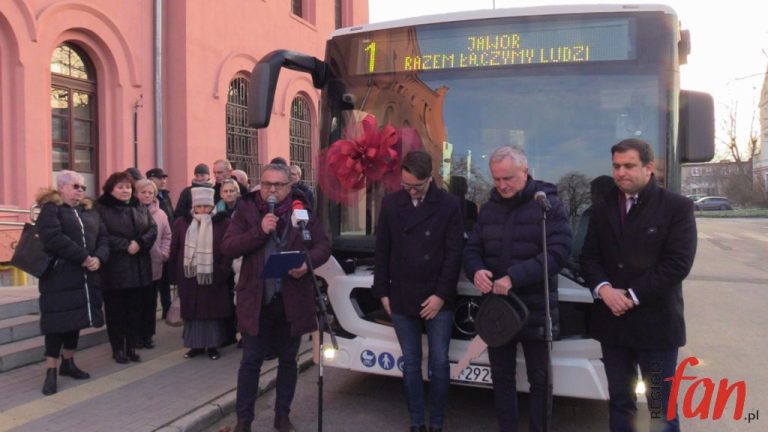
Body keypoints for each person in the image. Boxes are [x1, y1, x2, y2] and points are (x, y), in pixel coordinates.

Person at [580, 139, 697, 432]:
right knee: (620, 403)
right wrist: (604, 290)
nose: (621, 173)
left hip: (656, 328)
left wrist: (632, 296)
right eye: (616, 166)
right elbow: (589, 257)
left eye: (628, 166)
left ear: (649, 167)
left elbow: (677, 264)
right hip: (613, 326)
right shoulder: (603, 207)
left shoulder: (676, 208)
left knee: (660, 410)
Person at [463, 145, 572, 432]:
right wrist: (476, 270)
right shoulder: (488, 210)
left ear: (525, 171)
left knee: (540, 380)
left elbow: (559, 253)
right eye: (496, 179)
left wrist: (513, 276)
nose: (502, 185)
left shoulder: (547, 205)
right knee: (501, 378)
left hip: (535, 308)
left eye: (508, 178)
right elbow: (471, 248)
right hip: (497, 311)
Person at [221, 163, 331, 432]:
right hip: (257, 300)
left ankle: (282, 415)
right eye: (266, 183)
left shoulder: (301, 209)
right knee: (250, 362)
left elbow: (323, 246)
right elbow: (228, 246)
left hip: (292, 301)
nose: (271, 189)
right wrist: (260, 230)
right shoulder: (246, 209)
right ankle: (243, 421)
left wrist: (306, 263)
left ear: (289, 186)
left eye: (278, 185)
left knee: (288, 361)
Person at [372, 150, 464, 432]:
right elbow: (382, 249)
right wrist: (382, 291)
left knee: (438, 361)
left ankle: (436, 422)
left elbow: (454, 254)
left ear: (430, 179)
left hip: (438, 296)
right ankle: (416, 422)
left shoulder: (449, 205)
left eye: (417, 187)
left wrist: (440, 296)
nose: (411, 191)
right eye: (406, 185)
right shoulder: (390, 204)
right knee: (410, 363)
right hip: (401, 293)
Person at [35, 170, 109, 395]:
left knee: (75, 320)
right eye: (76, 186)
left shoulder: (89, 210)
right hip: (59, 277)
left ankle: (68, 363)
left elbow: (103, 237)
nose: (81, 191)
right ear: (62, 187)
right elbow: (54, 239)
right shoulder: (51, 210)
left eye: (83, 187)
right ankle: (51, 370)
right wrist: (84, 257)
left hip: (85, 277)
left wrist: (98, 258)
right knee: (56, 323)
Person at [97, 170, 157, 364]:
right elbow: (100, 234)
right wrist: (125, 245)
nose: (125, 191)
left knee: (134, 311)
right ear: (111, 189)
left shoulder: (138, 205)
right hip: (115, 269)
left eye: (128, 187)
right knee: (116, 313)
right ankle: (118, 349)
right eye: (121, 187)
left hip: (138, 266)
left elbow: (152, 228)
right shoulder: (101, 207)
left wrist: (139, 242)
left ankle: (131, 347)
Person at [169, 187, 233, 360]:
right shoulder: (182, 223)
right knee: (193, 314)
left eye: (207, 206)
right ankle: (195, 346)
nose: (203, 210)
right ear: (194, 206)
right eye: (200, 207)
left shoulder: (223, 223)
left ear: (213, 206)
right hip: (189, 277)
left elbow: (228, 250)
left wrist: (222, 270)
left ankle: (213, 346)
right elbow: (174, 249)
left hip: (214, 276)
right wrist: (174, 276)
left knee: (212, 314)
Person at [135, 179, 172, 349]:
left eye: (150, 192)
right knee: (137, 302)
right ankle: (136, 335)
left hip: (155, 263)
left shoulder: (161, 214)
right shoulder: (131, 211)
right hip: (134, 265)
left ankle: (148, 335)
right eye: (143, 192)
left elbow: (167, 236)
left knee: (150, 302)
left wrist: (164, 253)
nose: (147, 195)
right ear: (137, 193)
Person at [146, 167, 174, 318]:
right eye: (160, 178)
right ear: (151, 179)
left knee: (166, 280)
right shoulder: (147, 202)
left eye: (164, 178)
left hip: (165, 244)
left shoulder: (165, 196)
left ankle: (167, 309)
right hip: (152, 246)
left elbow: (171, 218)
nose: (164, 181)